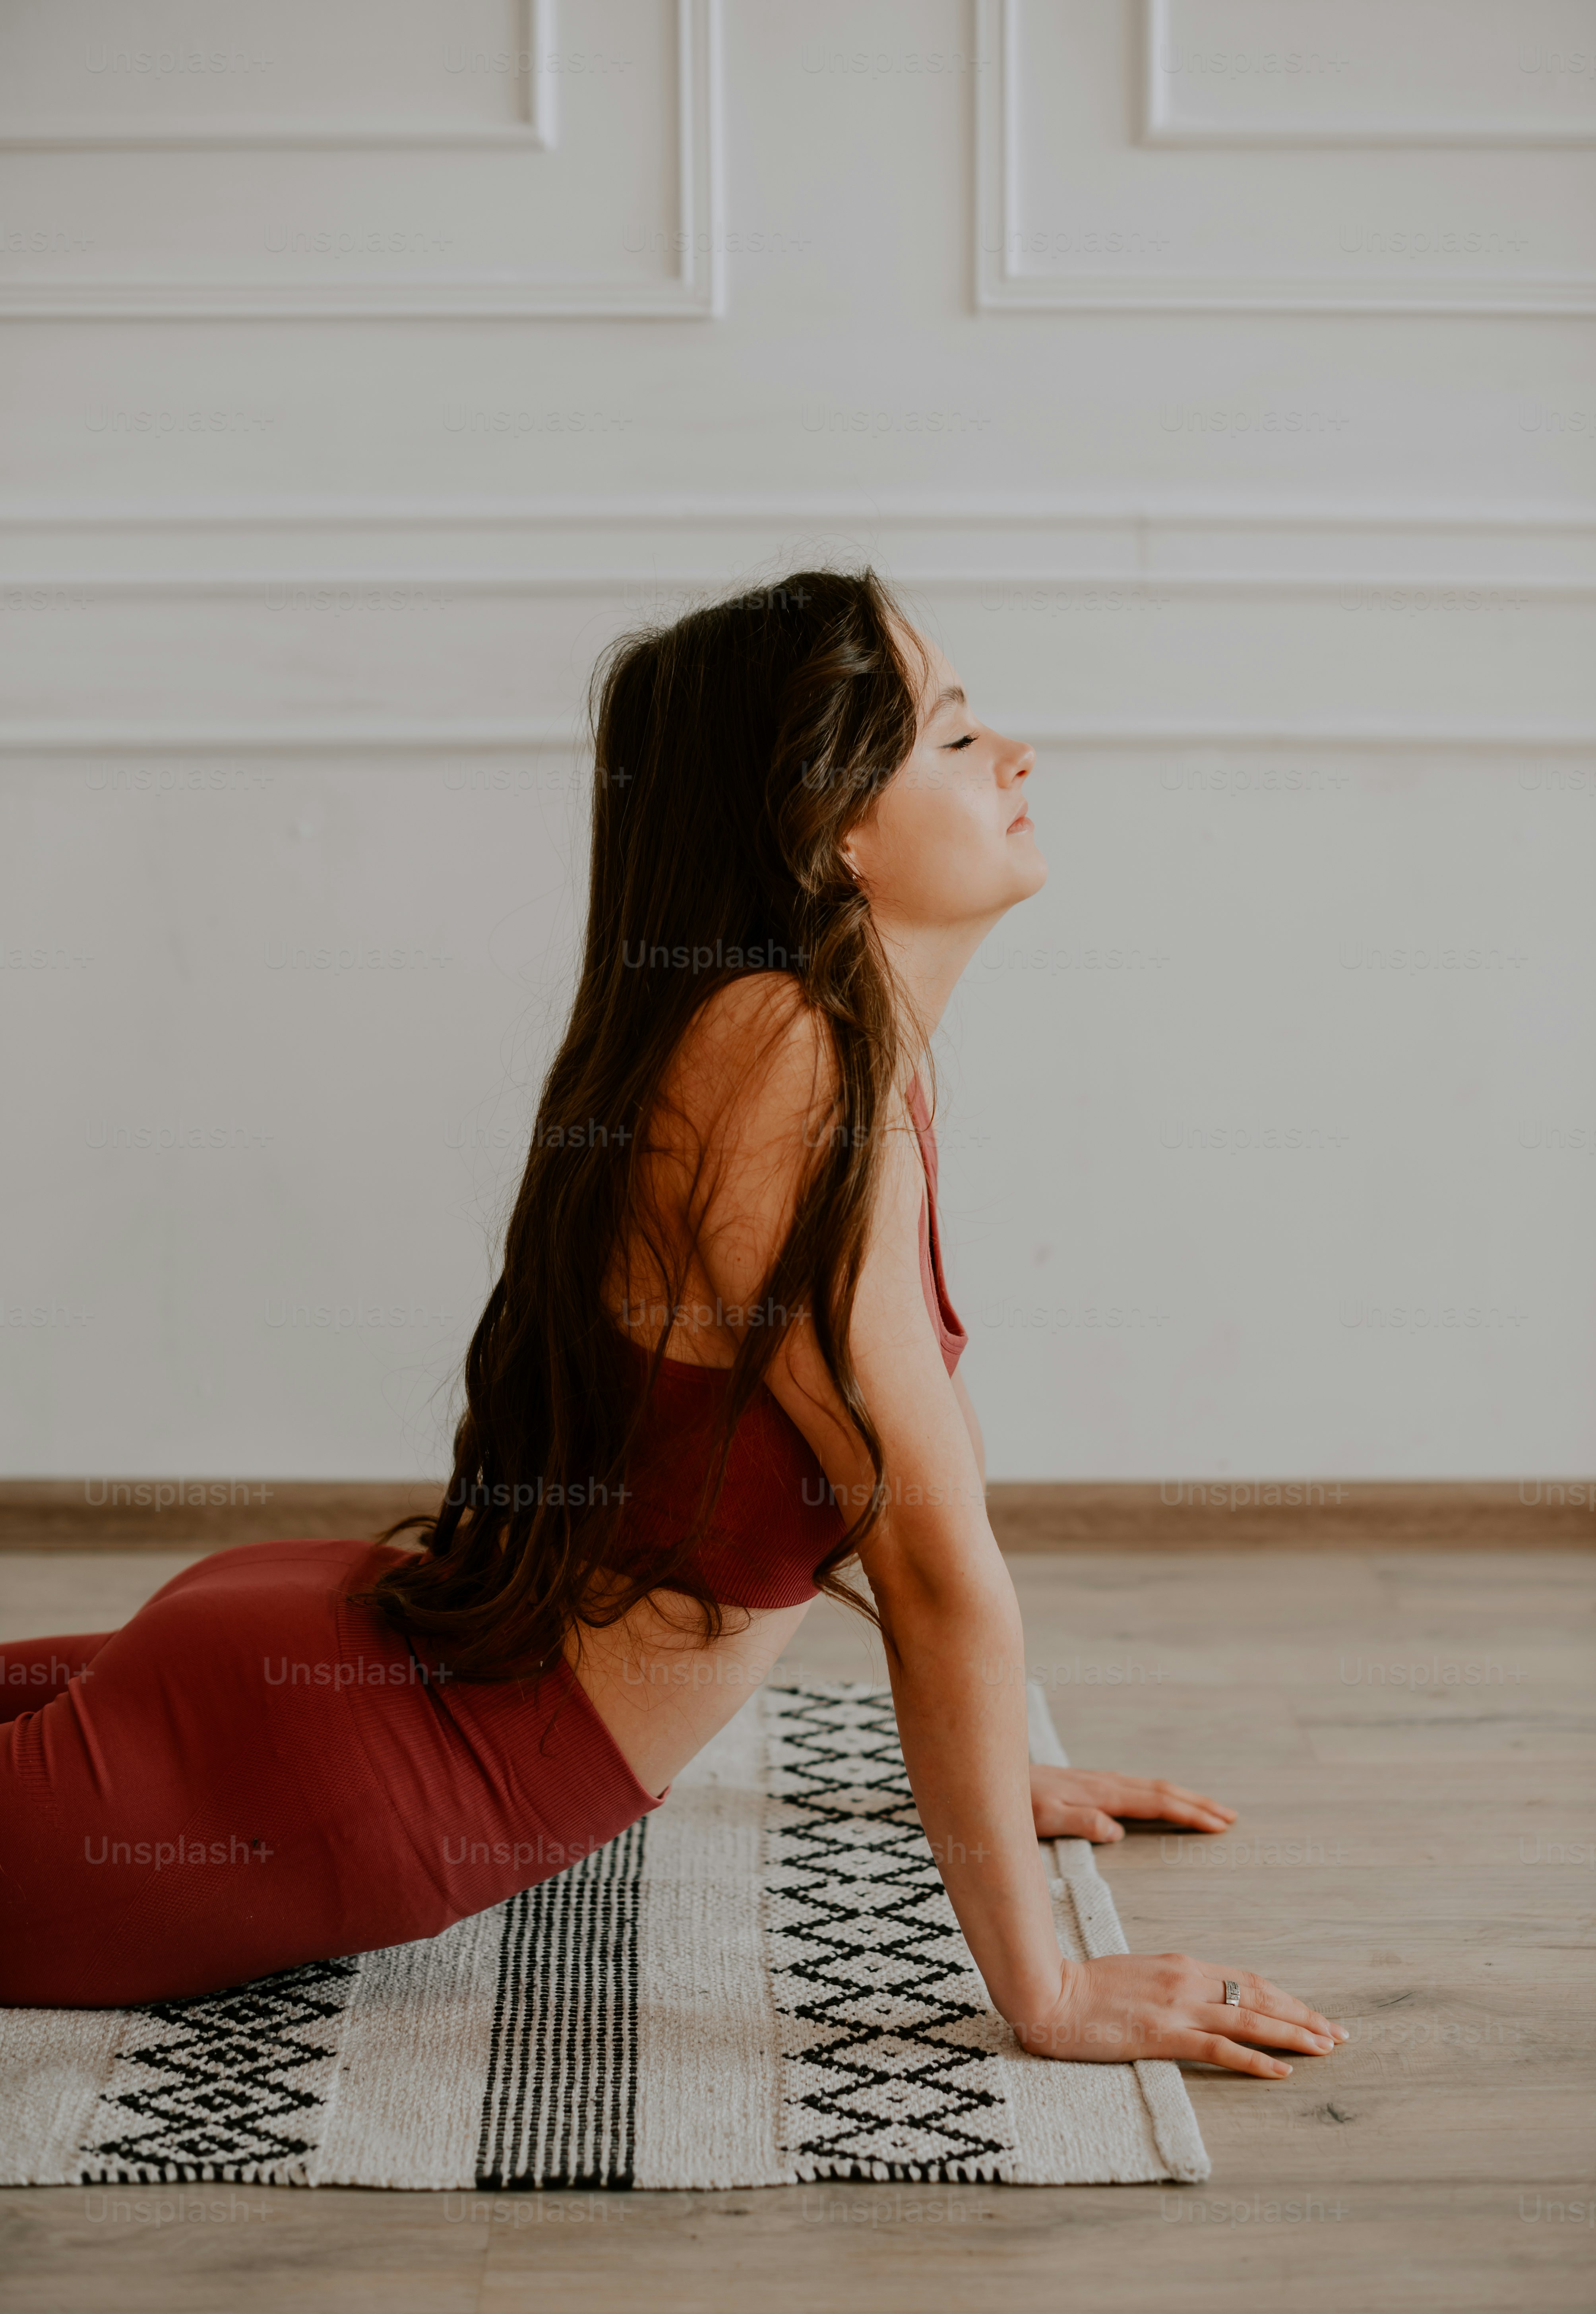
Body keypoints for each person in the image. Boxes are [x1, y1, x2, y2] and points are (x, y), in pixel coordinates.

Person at [0, 568, 1344, 2077]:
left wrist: (985, 1778)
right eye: (957, 738)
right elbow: (929, 1562)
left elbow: (875, 1514)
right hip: (354, 1766)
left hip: (335, 1671)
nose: (1017, 756)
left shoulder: (808, 1046)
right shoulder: (787, 1058)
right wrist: (1048, 1993)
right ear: (835, 826)